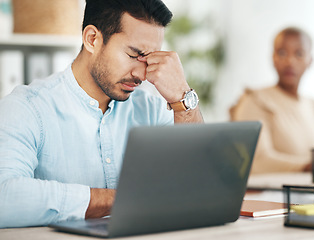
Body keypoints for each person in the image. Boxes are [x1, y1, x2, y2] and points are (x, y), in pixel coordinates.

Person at [0, 0, 203, 228]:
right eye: (134, 55)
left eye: (150, 59)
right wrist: (119, 200)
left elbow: (200, 184)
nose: (141, 74)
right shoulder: (27, 108)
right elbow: (4, 197)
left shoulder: (152, 108)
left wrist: (183, 98)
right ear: (92, 39)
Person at [230, 27, 314, 174]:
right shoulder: (255, 100)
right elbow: (258, 161)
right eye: (282, 53)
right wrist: (312, 165)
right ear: (273, 58)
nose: (289, 61)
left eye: (299, 54)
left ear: (310, 61)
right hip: (272, 196)